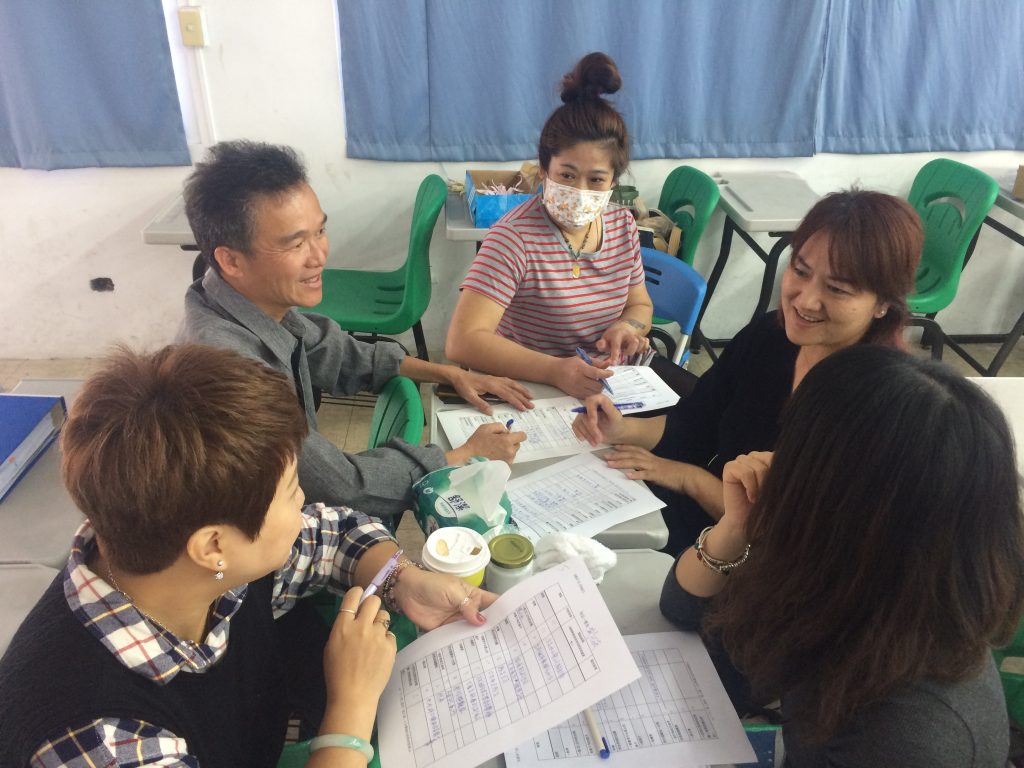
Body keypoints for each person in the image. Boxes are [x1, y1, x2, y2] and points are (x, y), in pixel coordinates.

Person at [0, 344, 498, 767]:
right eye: (291, 492)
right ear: (213, 545)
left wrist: (399, 577)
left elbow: (336, 532)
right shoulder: (98, 735)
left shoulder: (182, 555)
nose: (304, 502)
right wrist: (351, 708)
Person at [659, 345, 1023, 766]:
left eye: (798, 452)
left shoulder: (906, 735)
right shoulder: (848, 575)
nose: (777, 463)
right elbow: (682, 608)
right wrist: (736, 526)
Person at [177, 140, 531, 520]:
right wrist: (462, 456)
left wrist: (449, 374)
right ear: (231, 260)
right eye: (296, 244)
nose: (319, 256)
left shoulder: (245, 302)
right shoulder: (227, 371)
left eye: (320, 231)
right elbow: (339, 485)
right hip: (253, 536)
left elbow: (336, 351)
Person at [573, 189, 923, 554]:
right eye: (800, 271)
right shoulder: (771, 335)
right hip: (701, 512)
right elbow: (694, 424)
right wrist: (622, 429)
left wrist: (689, 478)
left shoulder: (880, 407)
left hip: (751, 556)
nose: (805, 300)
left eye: (836, 289)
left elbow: (788, 535)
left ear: (883, 304)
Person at [445, 52, 654, 399]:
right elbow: (462, 341)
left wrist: (627, 327)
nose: (580, 191)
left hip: (601, 384)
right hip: (532, 388)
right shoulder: (514, 238)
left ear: (613, 182)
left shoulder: (622, 226)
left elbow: (640, 306)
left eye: (596, 180)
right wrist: (555, 370)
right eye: (567, 175)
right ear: (543, 170)